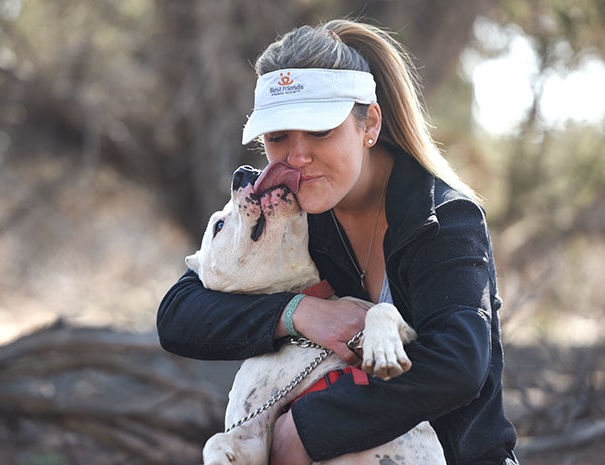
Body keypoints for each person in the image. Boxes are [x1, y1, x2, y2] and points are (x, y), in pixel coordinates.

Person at [157, 18, 518, 465]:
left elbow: (458, 363)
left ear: (370, 125)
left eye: (320, 130)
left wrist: (303, 432)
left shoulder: (443, 218)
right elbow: (178, 314)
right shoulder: (292, 215)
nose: (298, 155)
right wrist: (302, 313)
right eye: (277, 136)